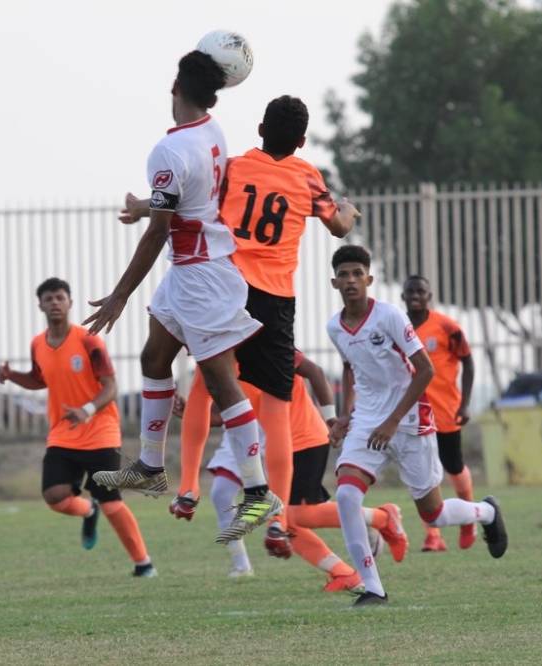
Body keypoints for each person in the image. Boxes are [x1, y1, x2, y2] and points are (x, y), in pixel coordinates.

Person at [126, 95, 358, 557]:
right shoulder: (307, 176)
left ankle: (188, 486)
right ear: (302, 141)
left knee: (205, 383)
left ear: (260, 129)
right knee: (276, 406)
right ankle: (278, 520)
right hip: (275, 298)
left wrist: (141, 207)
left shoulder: (234, 168)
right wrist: (348, 208)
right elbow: (338, 226)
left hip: (228, 284)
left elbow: (186, 200)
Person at [86, 51, 280, 544]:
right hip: (188, 272)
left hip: (202, 278)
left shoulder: (168, 151)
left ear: (175, 86)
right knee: (154, 358)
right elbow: (185, 200)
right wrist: (144, 204)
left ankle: (260, 493)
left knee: (220, 381)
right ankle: (151, 467)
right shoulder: (212, 131)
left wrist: (119, 295)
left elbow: (159, 231)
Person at [326, 246, 508, 607]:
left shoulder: (389, 316)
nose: (351, 280)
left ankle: (486, 512)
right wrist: (344, 415)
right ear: (335, 282)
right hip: (367, 421)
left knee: (434, 515)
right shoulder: (335, 326)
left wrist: (393, 420)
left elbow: (425, 370)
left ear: (369, 279)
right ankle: (373, 587)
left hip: (409, 421)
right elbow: (349, 367)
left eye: (357, 273)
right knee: (346, 496)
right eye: (344, 274)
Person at [181, 351, 407, 591]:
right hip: (279, 448)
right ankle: (343, 572)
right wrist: (189, 413)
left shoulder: (266, 345)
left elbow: (315, 372)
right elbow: (226, 415)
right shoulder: (216, 364)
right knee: (281, 520)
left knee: (289, 518)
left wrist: (331, 419)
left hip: (306, 440)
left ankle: (382, 519)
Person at [0, 277, 154, 577]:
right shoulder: (38, 344)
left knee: (110, 502)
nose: (55, 303)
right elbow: (39, 379)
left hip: (101, 432)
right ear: (40, 305)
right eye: (49, 299)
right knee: (54, 497)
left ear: (69, 302)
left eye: (60, 297)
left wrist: (87, 409)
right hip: (63, 433)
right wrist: (11, 375)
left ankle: (143, 563)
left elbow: (111, 387)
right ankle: (88, 510)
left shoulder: (88, 340)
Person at [401, 275, 477, 552]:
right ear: (403, 296)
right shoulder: (397, 327)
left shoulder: (447, 327)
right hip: (414, 413)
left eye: (420, 291)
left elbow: (468, 363)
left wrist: (464, 404)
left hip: (445, 410)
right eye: (410, 291)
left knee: (453, 466)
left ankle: (468, 518)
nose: (415, 296)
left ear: (429, 296)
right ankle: (433, 535)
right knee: (423, 475)